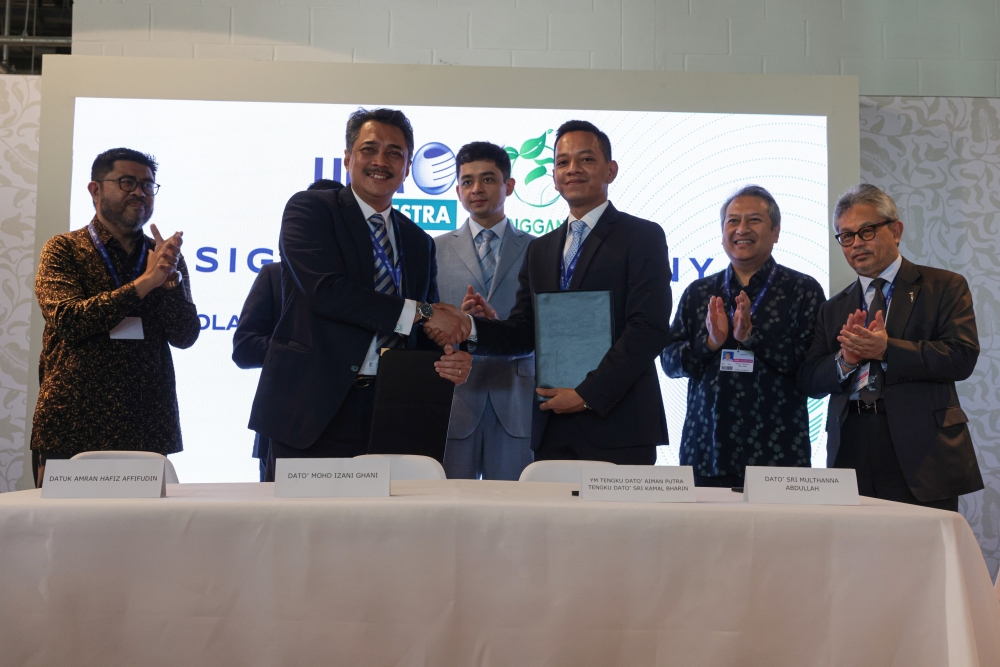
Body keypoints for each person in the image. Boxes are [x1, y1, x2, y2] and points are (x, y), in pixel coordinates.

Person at [249, 108, 472, 480]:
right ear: (348, 158)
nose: (381, 162)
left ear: (407, 167)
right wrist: (426, 313)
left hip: (392, 410)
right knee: (303, 533)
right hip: (313, 409)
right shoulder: (310, 210)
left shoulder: (418, 241)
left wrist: (452, 356)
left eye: (395, 153)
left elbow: (422, 330)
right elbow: (327, 292)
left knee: (383, 533)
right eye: (369, 149)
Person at [455, 120, 672, 465]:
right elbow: (527, 332)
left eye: (585, 159)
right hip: (552, 424)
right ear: (554, 177)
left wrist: (587, 395)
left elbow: (649, 328)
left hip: (619, 425)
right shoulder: (541, 249)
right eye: (562, 162)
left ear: (610, 170)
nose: (572, 169)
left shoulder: (642, 236)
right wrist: (476, 327)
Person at [797, 184, 982, 510]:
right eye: (846, 236)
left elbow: (961, 357)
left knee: (922, 556)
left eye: (866, 232)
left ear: (895, 231)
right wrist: (846, 359)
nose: (856, 244)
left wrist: (886, 350)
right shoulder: (834, 307)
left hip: (922, 448)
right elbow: (811, 379)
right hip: (851, 445)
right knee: (856, 554)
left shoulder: (944, 287)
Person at [31, 148, 199, 487]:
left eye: (148, 185)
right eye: (127, 182)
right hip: (72, 425)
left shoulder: (164, 256)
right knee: (66, 536)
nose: (139, 192)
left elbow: (185, 336)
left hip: (147, 425)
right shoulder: (63, 249)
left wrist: (168, 282)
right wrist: (144, 284)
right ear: (95, 190)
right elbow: (70, 320)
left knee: (145, 538)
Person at [660, 186, 825, 487]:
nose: (742, 230)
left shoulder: (803, 290)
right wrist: (710, 343)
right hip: (708, 452)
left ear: (776, 231)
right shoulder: (699, 293)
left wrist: (751, 337)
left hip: (778, 454)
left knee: (779, 535)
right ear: (722, 231)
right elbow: (669, 362)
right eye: (732, 221)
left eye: (754, 221)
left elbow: (809, 368)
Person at [433, 142, 535, 480]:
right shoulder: (432, 250)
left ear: (508, 186)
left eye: (488, 179)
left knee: (514, 517)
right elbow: (422, 323)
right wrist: (453, 324)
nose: (476, 189)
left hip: (516, 398)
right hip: (453, 400)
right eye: (467, 181)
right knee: (448, 518)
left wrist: (495, 327)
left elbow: (546, 329)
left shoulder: (539, 250)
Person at [232, 179, 343, 481]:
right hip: (286, 424)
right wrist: (307, 349)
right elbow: (243, 348)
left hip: (350, 426)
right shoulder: (273, 275)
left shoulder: (362, 286)